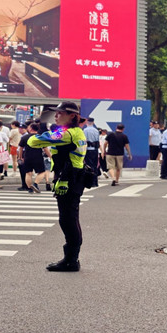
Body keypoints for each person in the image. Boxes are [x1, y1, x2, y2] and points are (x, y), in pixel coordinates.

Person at [28, 101, 87, 272]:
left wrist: (50, 131)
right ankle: (71, 258)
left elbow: (33, 141)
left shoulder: (66, 134)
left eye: (60, 113)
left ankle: (71, 261)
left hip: (68, 180)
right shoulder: (76, 132)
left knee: (68, 220)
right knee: (70, 219)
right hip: (73, 178)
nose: (56, 115)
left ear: (72, 116)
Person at [18, 123, 46, 193]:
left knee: (28, 173)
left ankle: (30, 188)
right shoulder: (40, 137)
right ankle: (35, 184)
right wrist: (51, 156)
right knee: (42, 172)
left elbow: (20, 148)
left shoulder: (24, 137)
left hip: (27, 157)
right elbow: (45, 148)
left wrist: (20, 157)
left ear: (30, 128)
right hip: (38, 157)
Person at [83, 117, 100, 188]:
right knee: (95, 165)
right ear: (93, 122)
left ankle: (90, 182)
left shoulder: (85, 130)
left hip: (88, 150)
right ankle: (95, 182)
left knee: (89, 166)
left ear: (87, 122)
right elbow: (97, 141)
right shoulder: (96, 130)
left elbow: (84, 141)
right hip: (95, 150)